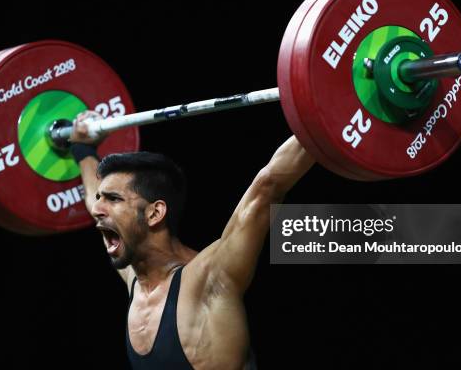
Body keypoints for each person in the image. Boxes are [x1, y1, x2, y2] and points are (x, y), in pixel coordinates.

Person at [70, 110, 315, 369]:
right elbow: (91, 199)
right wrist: (81, 149)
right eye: (101, 198)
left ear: (155, 213)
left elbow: (268, 187)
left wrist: (324, 114)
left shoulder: (209, 279)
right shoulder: (135, 275)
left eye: (113, 199)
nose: (98, 208)